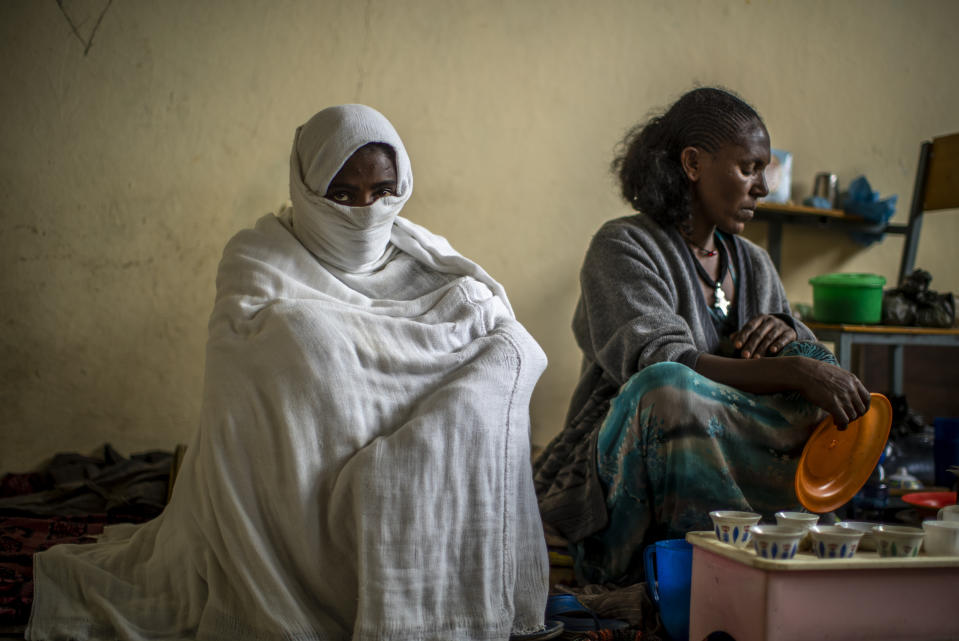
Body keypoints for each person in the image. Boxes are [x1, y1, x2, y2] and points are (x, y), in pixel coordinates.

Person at [27, 105, 551, 640]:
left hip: (414, 467)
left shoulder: (427, 257)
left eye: (383, 192)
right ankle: (342, 553)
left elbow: (504, 335)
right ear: (307, 188)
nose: (367, 210)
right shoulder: (259, 260)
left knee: (508, 348)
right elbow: (246, 390)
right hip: (298, 504)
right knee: (303, 334)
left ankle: (402, 498)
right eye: (343, 194)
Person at [533, 87, 871, 585]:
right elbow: (657, 363)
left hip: (730, 443)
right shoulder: (622, 246)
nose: (763, 188)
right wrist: (790, 369)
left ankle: (769, 557)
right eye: (749, 168)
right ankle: (673, 572)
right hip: (629, 459)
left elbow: (809, 360)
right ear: (693, 163)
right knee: (667, 390)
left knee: (823, 385)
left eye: (765, 171)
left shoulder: (752, 262)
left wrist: (787, 333)